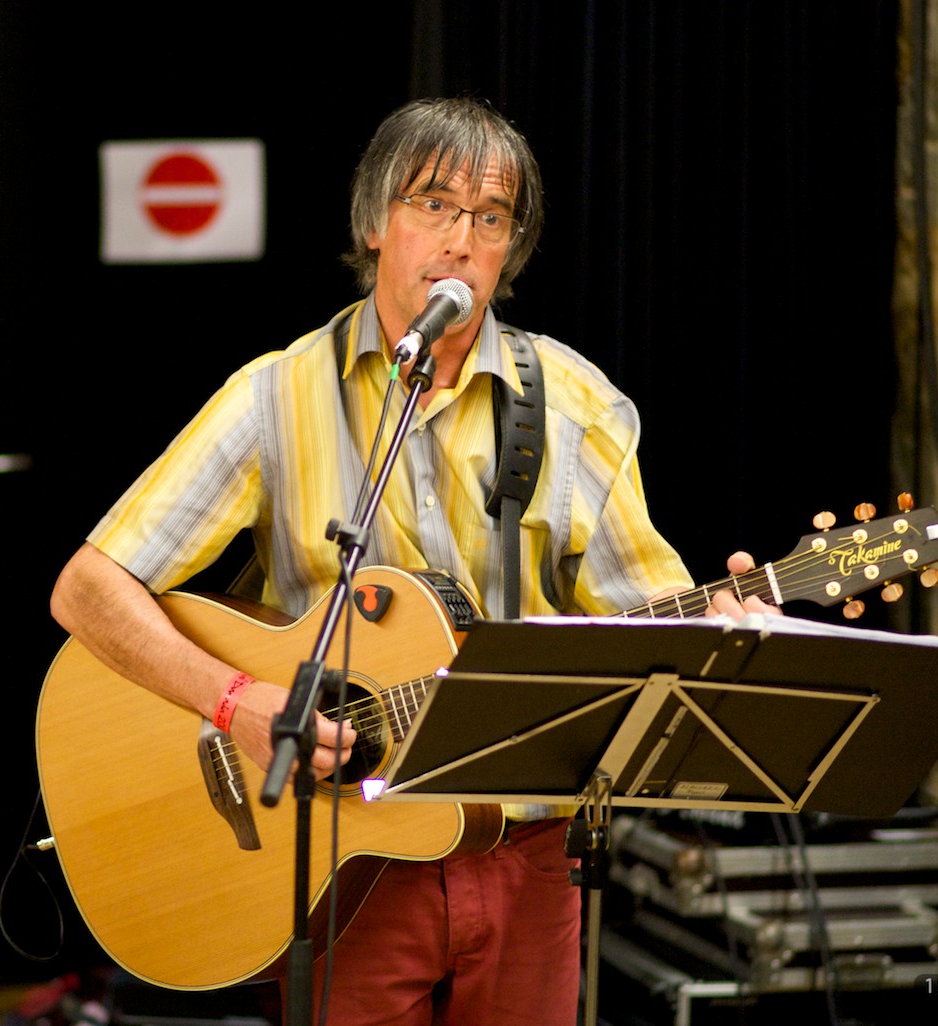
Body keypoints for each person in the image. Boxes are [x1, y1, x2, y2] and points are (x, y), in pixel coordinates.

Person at [50, 96, 774, 1026]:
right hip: (339, 855)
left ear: (509, 249)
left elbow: (648, 606)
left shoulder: (572, 405)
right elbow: (88, 589)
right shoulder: (277, 396)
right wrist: (235, 702)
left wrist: (721, 625)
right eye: (433, 204)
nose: (460, 240)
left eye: (490, 218)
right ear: (373, 223)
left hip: (526, 858)